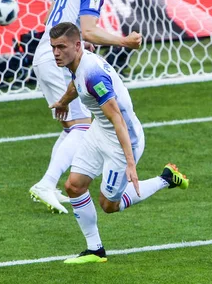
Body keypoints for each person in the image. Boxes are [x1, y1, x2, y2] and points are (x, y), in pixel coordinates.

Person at [48, 22, 189, 264]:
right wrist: (62, 102)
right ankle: (95, 250)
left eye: (61, 47)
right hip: (99, 130)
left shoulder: (93, 73)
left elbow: (117, 118)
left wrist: (130, 163)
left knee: (108, 205)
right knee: (73, 186)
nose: (56, 53)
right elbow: (76, 85)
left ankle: (167, 178)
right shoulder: (77, 62)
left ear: (78, 46)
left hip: (123, 139)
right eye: (53, 47)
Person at [29, 0, 142, 214]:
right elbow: (89, 29)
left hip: (49, 51)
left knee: (73, 126)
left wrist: (80, 40)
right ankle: (46, 183)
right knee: (82, 126)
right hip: (56, 56)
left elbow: (56, 19)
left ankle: (49, 184)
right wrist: (124, 41)